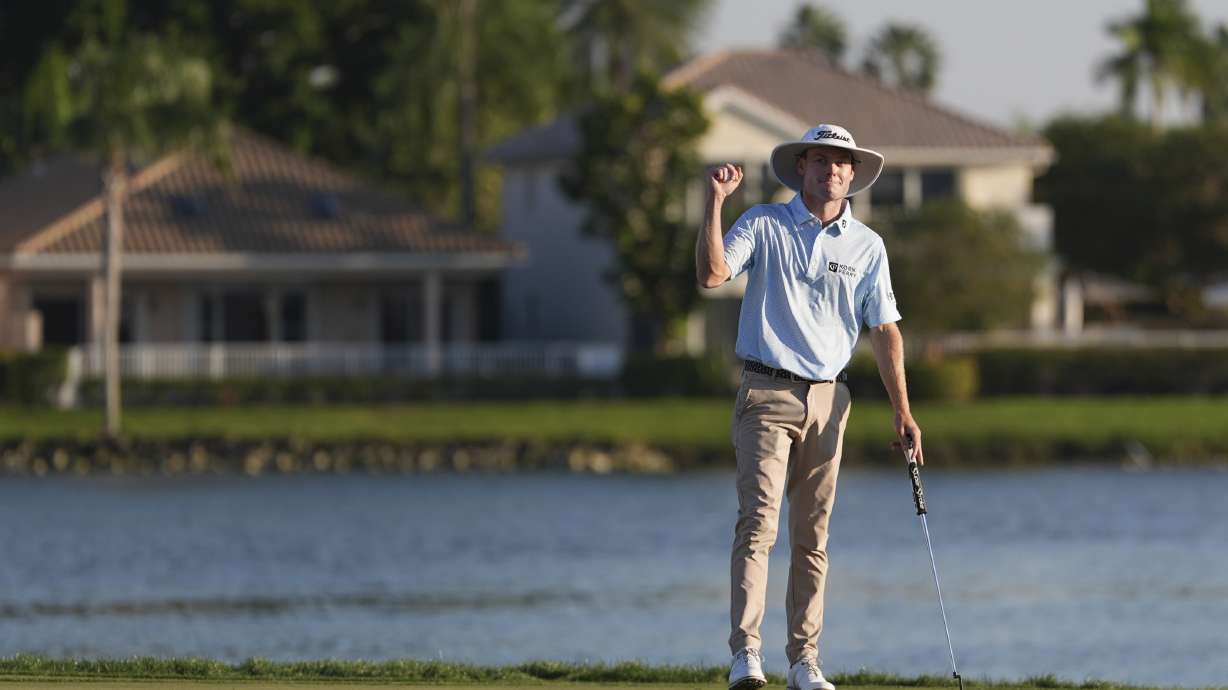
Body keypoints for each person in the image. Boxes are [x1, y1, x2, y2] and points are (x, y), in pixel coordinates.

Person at [695, 124, 924, 690]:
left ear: (853, 174)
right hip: (766, 391)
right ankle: (746, 655)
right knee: (759, 525)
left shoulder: (868, 246)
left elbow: (885, 330)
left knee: (812, 536)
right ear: (802, 167)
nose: (831, 170)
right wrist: (716, 203)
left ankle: (804, 661)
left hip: (830, 398)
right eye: (821, 160)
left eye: (842, 162)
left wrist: (902, 410)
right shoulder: (764, 223)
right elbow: (712, 274)